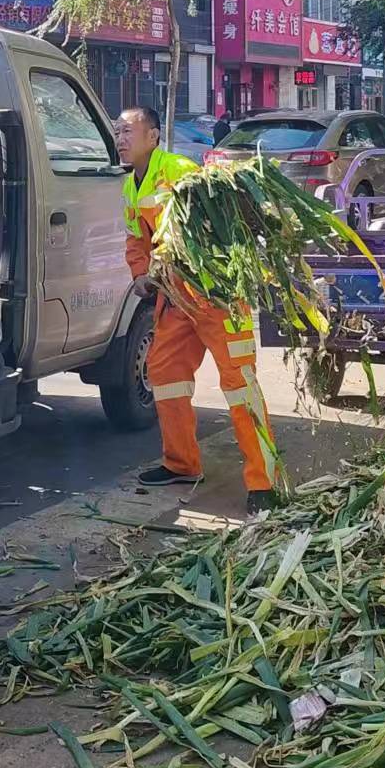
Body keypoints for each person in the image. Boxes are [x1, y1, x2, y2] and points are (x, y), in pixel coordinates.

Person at [115, 106, 289, 514]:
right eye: (117, 132)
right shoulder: (130, 187)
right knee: (165, 372)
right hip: (176, 298)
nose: (120, 138)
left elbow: (210, 225)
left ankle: (263, 481)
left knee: (239, 383)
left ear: (153, 136)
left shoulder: (177, 170)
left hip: (216, 294)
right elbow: (134, 240)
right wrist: (141, 274)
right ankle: (181, 463)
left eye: (127, 130)